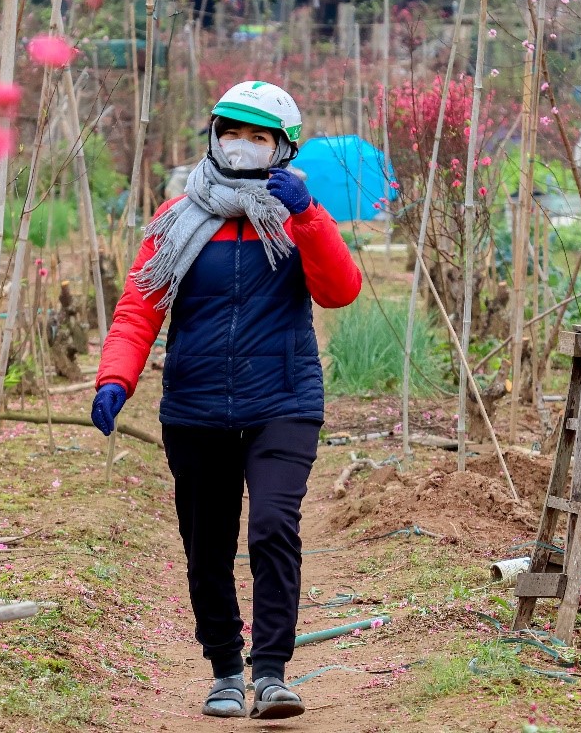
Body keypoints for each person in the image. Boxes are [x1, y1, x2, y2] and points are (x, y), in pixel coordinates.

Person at [90, 81, 362, 720]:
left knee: (271, 525)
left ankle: (271, 673)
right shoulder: (175, 218)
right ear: (214, 137)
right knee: (206, 542)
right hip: (196, 405)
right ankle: (225, 671)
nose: (242, 145)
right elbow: (137, 310)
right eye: (231, 132)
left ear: (281, 149)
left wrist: (309, 216)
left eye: (258, 136)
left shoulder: (297, 219)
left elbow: (341, 292)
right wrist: (115, 380)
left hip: (284, 399)